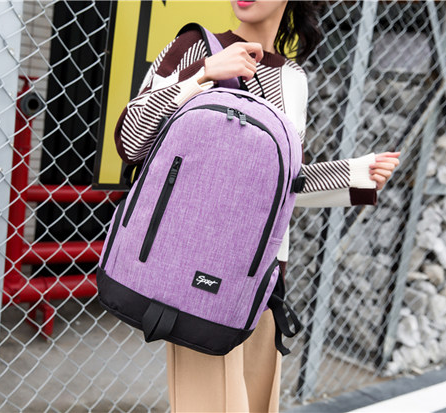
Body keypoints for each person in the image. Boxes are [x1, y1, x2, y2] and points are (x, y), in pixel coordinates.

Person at [114, 1, 400, 411]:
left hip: (263, 276)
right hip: (196, 273)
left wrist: (356, 177)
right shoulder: (196, 45)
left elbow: (275, 187)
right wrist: (202, 74)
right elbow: (131, 141)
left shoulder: (293, 78)